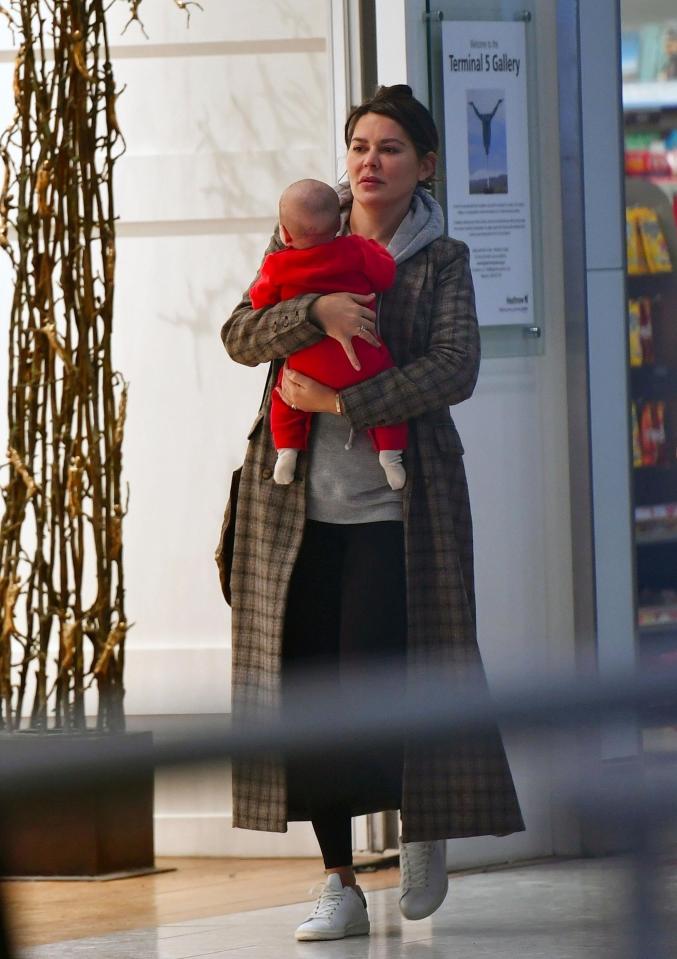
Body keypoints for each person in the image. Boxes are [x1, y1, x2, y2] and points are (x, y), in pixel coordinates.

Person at [217, 83, 524, 943]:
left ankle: (422, 821)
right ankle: (338, 880)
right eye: (358, 144)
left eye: (390, 147)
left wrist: (346, 402)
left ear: (424, 163)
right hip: (295, 509)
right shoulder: (305, 235)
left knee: (392, 680)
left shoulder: (441, 259)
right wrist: (312, 310)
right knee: (308, 693)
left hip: (401, 509)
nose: (368, 161)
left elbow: (454, 368)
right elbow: (240, 334)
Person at [249, 177, 407, 489]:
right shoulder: (356, 249)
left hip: (307, 366)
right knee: (386, 391)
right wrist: (318, 308)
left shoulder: (277, 265)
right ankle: (391, 455)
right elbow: (385, 275)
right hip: (364, 355)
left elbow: (259, 303)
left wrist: (296, 304)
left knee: (285, 396)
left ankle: (287, 451)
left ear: (284, 233)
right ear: (339, 224)